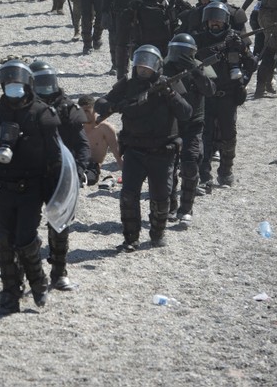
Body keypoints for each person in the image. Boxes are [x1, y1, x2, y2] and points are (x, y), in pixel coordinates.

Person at [0, 60, 62, 314]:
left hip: (33, 187)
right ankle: (9, 292)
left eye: (17, 84)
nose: (13, 89)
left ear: (28, 85)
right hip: (4, 186)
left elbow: (55, 159)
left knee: (25, 239)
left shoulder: (42, 114)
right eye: (8, 85)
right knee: (4, 240)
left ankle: (38, 282)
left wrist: (55, 194)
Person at [94, 45, 192, 250]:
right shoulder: (127, 85)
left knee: (160, 197)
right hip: (134, 150)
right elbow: (101, 103)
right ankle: (131, 238)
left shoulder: (169, 85)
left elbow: (186, 112)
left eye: (147, 66)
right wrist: (115, 106)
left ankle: (157, 234)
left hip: (162, 151)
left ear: (156, 67)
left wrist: (170, 95)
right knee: (128, 195)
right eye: (139, 65)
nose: (143, 69)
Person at [29, 60, 94, 291]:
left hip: (60, 175)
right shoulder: (23, 108)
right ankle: (30, 272)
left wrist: (77, 171)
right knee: (26, 227)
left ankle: (59, 272)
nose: (45, 89)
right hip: (30, 174)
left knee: (60, 227)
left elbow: (82, 145)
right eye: (40, 83)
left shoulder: (67, 109)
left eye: (48, 83)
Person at [193, 2, 255, 189]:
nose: (215, 24)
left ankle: (226, 171)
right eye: (212, 20)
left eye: (218, 20)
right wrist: (221, 48)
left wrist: (243, 49)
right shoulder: (199, 39)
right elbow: (196, 59)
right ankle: (204, 174)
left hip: (227, 96)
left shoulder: (236, 38)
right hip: (205, 97)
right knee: (204, 136)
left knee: (229, 135)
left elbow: (252, 65)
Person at [162, 33, 215, 225]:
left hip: (193, 124)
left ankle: (186, 209)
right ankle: (171, 206)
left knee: (191, 163)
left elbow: (210, 90)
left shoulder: (200, 67)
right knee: (168, 167)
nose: (180, 57)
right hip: (170, 125)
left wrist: (195, 71)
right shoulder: (164, 68)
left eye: (184, 53)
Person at [77, 95, 121, 172]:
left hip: (93, 168)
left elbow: (118, 156)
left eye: (87, 111)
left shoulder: (105, 129)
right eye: (82, 111)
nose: (84, 114)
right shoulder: (77, 127)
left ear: (94, 110)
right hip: (77, 165)